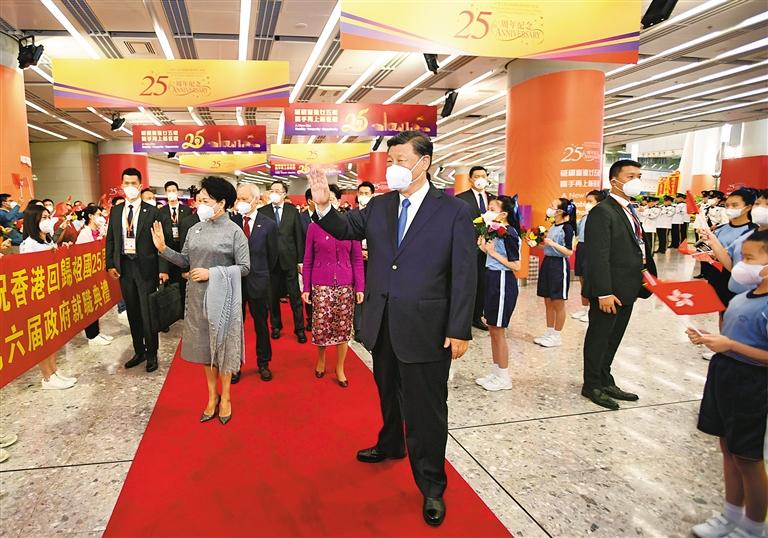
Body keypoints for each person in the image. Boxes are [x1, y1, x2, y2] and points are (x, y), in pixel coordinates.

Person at [308, 130, 476, 527]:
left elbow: (464, 274)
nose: (394, 168)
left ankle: (432, 485)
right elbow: (345, 229)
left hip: (427, 327)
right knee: (388, 394)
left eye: (401, 160)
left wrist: (459, 328)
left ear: (424, 162)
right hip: (382, 322)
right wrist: (323, 204)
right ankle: (391, 444)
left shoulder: (453, 211)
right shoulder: (381, 205)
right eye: (391, 161)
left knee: (426, 410)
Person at [687, 229, 768, 538]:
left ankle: (753, 526)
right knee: (728, 449)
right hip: (724, 375)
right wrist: (710, 339)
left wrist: (731, 346)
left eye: (749, 258)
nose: (741, 265)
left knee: (748, 457)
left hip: (753, 383)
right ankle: (730, 515)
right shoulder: (744, 297)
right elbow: (732, 338)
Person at [151, 176, 250, 425]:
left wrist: (212, 273)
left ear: (221, 203)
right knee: (206, 349)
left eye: (206, 201)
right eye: (199, 200)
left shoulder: (234, 232)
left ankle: (226, 397)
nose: (200, 205)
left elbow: (245, 267)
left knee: (223, 348)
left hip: (224, 299)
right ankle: (212, 396)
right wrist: (164, 250)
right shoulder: (195, 229)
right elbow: (185, 260)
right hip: (197, 298)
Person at [582, 159, 657, 410]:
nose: (636, 181)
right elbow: (598, 255)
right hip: (609, 290)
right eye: (630, 176)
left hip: (628, 287)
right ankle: (592, 384)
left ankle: (605, 379)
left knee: (613, 338)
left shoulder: (629, 210)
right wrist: (604, 292)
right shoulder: (602, 211)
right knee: (599, 337)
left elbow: (637, 246)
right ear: (614, 181)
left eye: (639, 176)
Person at [105, 168, 170, 373]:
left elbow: (162, 242)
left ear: (140, 186)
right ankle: (139, 351)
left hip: (146, 268)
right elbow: (111, 239)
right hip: (124, 267)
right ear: (122, 185)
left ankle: (152, 353)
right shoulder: (116, 211)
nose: (130, 187)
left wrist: (163, 268)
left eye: (134, 183)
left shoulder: (152, 211)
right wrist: (110, 264)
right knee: (132, 312)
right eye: (127, 183)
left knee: (147, 312)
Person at [302, 183, 365, 388]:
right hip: (321, 284)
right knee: (321, 326)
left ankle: (340, 367)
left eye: (332, 198)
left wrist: (360, 287)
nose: (329, 202)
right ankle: (321, 359)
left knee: (343, 328)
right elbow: (308, 259)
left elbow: (357, 259)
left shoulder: (350, 226)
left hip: (346, 284)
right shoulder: (314, 227)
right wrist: (306, 288)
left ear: (338, 201)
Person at [19, 204, 77, 389]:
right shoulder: (29, 244)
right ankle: (47, 377)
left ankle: (54, 370)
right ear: (33, 221)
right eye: (43, 218)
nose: (47, 221)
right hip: (38, 297)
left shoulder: (47, 241)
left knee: (51, 336)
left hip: (51, 293)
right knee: (42, 339)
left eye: (47, 217)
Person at [231, 183, 278, 384]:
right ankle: (235, 365)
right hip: (235, 281)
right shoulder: (231, 222)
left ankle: (263, 362)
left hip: (258, 281)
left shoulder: (268, 224)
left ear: (255, 200)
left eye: (244, 198)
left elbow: (273, 256)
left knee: (261, 324)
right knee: (235, 326)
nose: (240, 202)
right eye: (238, 198)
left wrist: (261, 274)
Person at [475, 196, 521, 392]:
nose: (488, 211)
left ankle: (504, 377)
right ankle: (496, 372)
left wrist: (493, 253)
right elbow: (492, 253)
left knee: (499, 330)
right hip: (492, 278)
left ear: (503, 214)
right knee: (493, 328)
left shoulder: (509, 233)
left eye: (492, 209)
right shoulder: (494, 231)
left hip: (503, 281)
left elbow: (516, 265)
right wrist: (484, 246)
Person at [259, 180, 307, 343]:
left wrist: (300, 260)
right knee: (272, 297)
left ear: (284, 194)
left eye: (278, 191)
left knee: (295, 296)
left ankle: (299, 329)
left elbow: (299, 236)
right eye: (272, 190)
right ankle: (276, 326)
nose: (274, 193)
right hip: (270, 261)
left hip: (289, 260)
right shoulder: (263, 212)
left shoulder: (292, 211)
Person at [456, 165, 495, 331]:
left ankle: (478, 315)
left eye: (483, 176)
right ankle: (467, 315)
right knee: (469, 282)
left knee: (484, 282)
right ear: (470, 179)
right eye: (477, 176)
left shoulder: (493, 199)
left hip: (490, 249)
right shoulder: (460, 199)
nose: (480, 179)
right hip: (469, 247)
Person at [534, 198, 576, 348]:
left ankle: (557, 336)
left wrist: (552, 243)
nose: (549, 208)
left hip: (559, 265)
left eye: (552, 206)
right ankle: (549, 332)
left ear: (560, 211)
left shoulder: (567, 228)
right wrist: (536, 244)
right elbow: (548, 248)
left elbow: (569, 251)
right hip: (548, 263)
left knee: (558, 302)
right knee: (547, 300)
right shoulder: (552, 226)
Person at [76, 205, 114, 347]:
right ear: (90, 216)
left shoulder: (99, 231)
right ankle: (91, 336)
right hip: (87, 276)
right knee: (89, 305)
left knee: (96, 303)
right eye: (98, 214)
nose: (101, 217)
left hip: (97, 274)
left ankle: (97, 332)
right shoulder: (84, 234)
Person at [572, 189, 607, 323]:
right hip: (581, 247)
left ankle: (592, 310)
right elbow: (577, 231)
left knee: (590, 279)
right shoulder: (585, 216)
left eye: (590, 201)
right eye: (586, 201)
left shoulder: (601, 217)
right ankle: (584, 308)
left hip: (592, 248)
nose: (587, 204)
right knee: (582, 278)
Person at [158, 181, 192, 313]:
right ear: (166, 193)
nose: (172, 193)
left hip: (183, 252)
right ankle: (171, 314)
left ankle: (184, 312)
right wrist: (163, 268)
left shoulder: (187, 210)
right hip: (167, 254)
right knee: (169, 288)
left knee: (184, 287)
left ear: (178, 192)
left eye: (174, 190)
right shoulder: (161, 212)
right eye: (169, 191)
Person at [354, 181, 375, 341]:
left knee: (372, 294)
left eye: (367, 193)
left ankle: (371, 327)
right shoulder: (352, 215)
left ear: (372, 195)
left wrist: (370, 252)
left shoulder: (379, 215)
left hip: (374, 261)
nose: (363, 196)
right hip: (356, 260)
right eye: (361, 193)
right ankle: (359, 328)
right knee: (358, 293)